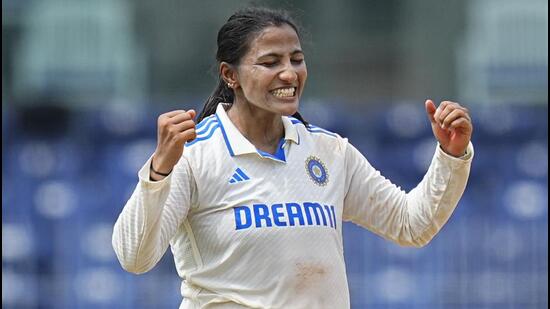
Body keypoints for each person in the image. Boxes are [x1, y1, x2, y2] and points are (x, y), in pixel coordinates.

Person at [112, 7, 474, 309]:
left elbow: (411, 225)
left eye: (296, 60)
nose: (289, 73)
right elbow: (134, 257)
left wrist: (450, 155)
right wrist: (159, 169)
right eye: (270, 62)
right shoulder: (194, 154)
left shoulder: (329, 151)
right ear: (230, 74)